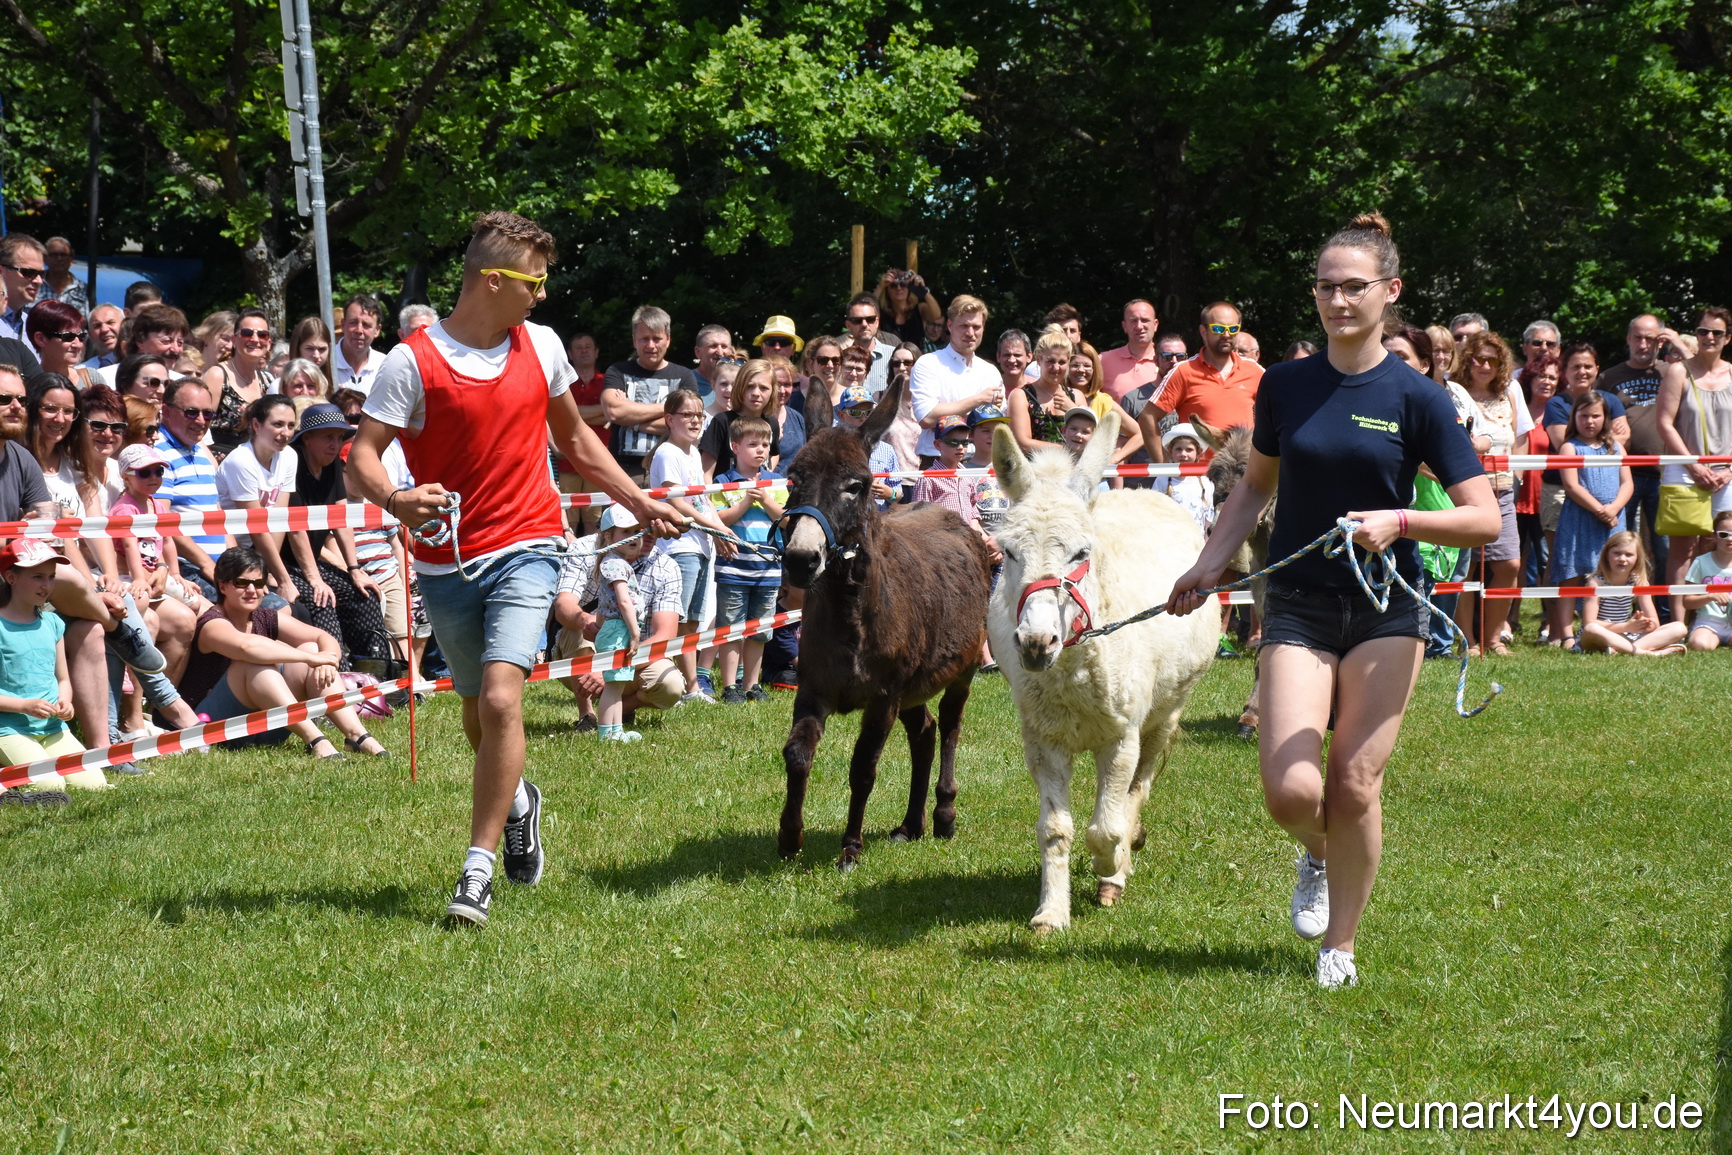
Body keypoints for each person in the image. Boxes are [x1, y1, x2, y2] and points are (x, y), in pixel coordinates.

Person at [1165, 213, 1498, 990]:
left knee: (1353, 781)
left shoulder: (1418, 397)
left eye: (1355, 287)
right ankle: (1319, 848)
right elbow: (1254, 488)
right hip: (1301, 602)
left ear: (1391, 291)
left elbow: (1483, 516)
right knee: (1292, 790)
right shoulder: (1283, 385)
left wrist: (1402, 519)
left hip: (1388, 606)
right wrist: (1206, 565)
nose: (1339, 300)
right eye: (1326, 286)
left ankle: (1339, 946)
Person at [348, 210, 682, 929]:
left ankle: (475, 871)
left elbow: (578, 442)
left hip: (531, 542)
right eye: (534, 281)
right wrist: (398, 496)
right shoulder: (411, 360)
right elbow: (362, 458)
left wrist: (640, 502)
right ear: (492, 279)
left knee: (503, 699)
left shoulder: (544, 346)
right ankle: (520, 799)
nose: (541, 294)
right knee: (478, 713)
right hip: (447, 562)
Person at [182, 546, 388, 758]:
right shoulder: (211, 622)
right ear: (223, 586)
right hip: (215, 726)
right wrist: (311, 658)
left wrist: (327, 660)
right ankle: (315, 739)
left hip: (267, 726)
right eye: (241, 583)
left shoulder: (265, 616)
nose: (252, 590)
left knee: (311, 647)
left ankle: (357, 735)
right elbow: (247, 647)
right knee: (253, 665)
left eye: (258, 583)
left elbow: (323, 637)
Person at [0, 539, 109, 795]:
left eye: (50, 577)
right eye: (37, 576)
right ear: (11, 577)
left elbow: (62, 678)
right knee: (50, 785)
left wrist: (66, 701)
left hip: (52, 727)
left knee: (95, 784)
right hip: (9, 729)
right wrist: (23, 706)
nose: (46, 585)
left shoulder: (52, 623)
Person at [282, 403, 387, 666]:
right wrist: (314, 578)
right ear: (306, 438)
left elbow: (342, 519)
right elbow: (295, 528)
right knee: (322, 601)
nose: (335, 444)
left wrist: (354, 568)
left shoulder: (331, 465)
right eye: (328, 436)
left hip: (313, 561)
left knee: (364, 594)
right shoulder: (291, 463)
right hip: (285, 565)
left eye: (339, 438)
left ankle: (375, 674)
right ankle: (337, 679)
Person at [649, 388, 736, 703]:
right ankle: (678, 685)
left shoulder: (694, 454)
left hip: (699, 545)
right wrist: (714, 526)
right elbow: (677, 500)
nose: (696, 421)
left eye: (700, 415)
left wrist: (721, 529)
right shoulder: (667, 453)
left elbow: (702, 500)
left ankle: (691, 686)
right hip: (678, 546)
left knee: (694, 621)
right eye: (688, 415)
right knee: (680, 619)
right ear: (670, 419)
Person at [1449, 330, 1529, 655]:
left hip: (1504, 489)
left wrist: (1519, 477)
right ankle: (1467, 640)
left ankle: (1494, 637)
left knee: (1509, 564)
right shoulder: (1454, 392)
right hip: (1464, 489)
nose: (1485, 365)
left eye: (1492, 360)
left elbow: (1520, 438)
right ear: (1468, 361)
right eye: (1478, 359)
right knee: (1466, 566)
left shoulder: (1510, 392)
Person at [1653, 307, 1732, 623]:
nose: (1708, 337)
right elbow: (1664, 423)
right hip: (1684, 469)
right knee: (1683, 548)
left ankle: (1714, 618)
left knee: (1721, 543)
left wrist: (1728, 470)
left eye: (1716, 332)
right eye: (1702, 331)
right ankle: (1678, 621)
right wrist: (1693, 465)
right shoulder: (1678, 372)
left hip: (1727, 473)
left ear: (1728, 337)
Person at [710, 416, 785, 703]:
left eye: (765, 444)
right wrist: (744, 502)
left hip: (768, 569)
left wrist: (766, 500)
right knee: (731, 629)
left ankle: (752, 685)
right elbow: (717, 519)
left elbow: (786, 519)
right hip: (733, 568)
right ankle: (730, 686)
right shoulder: (723, 482)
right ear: (735, 447)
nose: (761, 450)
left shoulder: (777, 482)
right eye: (753, 444)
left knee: (760, 630)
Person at [1142, 301, 1264, 462]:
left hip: (1241, 473)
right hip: (1197, 476)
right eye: (1218, 328)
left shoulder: (1254, 371)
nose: (1226, 334)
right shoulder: (1183, 371)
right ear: (1203, 331)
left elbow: (1281, 412)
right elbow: (1147, 418)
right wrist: (1164, 467)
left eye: (1233, 329)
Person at [1599, 315, 1669, 578]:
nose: (1643, 344)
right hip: (1623, 473)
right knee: (1619, 547)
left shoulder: (1672, 372)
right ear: (1628, 339)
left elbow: (1699, 372)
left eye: (1650, 338)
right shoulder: (1609, 377)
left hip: (1664, 472)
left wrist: (1679, 344)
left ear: (1660, 342)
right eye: (1638, 337)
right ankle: (1615, 611)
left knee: (1663, 547)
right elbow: (1595, 421)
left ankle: (1662, 612)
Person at [602, 306, 699, 484]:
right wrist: (671, 408)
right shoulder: (618, 371)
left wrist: (630, 419)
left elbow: (687, 424)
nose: (651, 345)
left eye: (657, 338)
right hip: (624, 472)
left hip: (672, 470)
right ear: (634, 341)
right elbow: (613, 411)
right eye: (644, 339)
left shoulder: (685, 376)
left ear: (668, 340)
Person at [215, 395, 300, 594]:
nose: (285, 433)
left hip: (256, 552)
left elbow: (278, 521)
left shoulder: (289, 456)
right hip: (228, 552)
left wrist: (270, 571)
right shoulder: (241, 461)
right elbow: (257, 525)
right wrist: (284, 581)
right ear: (256, 425)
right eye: (278, 424)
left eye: (290, 425)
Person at [1552, 391, 1633, 600]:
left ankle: (1608, 621)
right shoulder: (1570, 448)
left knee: (1613, 571)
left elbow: (1627, 483)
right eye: (1584, 416)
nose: (1589, 421)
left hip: (1614, 519)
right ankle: (1565, 630)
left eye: (1595, 416)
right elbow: (1571, 486)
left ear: (1605, 417)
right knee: (1571, 573)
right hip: (1579, 519)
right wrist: (1601, 510)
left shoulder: (1616, 448)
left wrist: (1613, 508)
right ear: (1574, 418)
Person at [156, 379, 232, 598]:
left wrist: (237, 562)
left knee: (285, 609)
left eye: (207, 414)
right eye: (191, 412)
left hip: (220, 567)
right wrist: (207, 564)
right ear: (166, 411)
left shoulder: (201, 451)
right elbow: (162, 521)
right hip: (188, 568)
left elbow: (218, 515)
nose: (201, 421)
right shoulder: (158, 453)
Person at [909, 294, 1004, 461]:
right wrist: (978, 401)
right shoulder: (928, 363)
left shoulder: (990, 371)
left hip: (981, 463)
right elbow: (927, 417)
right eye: (964, 326)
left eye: (976, 327)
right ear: (950, 325)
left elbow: (998, 425)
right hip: (937, 460)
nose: (970, 333)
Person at [591, 510, 648, 742]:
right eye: (626, 532)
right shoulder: (614, 564)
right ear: (608, 535)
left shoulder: (616, 563)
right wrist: (635, 633)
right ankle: (607, 735)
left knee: (618, 684)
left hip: (617, 629)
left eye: (636, 531)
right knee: (613, 686)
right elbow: (624, 601)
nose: (634, 536)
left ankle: (617, 732)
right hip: (619, 630)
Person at [1577, 532, 1685, 655]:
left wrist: (1644, 624)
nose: (1622, 559)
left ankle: (1621, 650)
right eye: (1617, 553)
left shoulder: (1639, 582)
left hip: (1624, 634)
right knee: (1592, 628)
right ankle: (1647, 653)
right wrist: (1626, 627)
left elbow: (1654, 623)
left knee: (1679, 627)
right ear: (1607, 555)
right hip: (1597, 635)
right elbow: (1589, 622)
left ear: (1637, 558)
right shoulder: (1596, 582)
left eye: (1628, 555)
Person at [554, 330, 609, 535]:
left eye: (588, 347)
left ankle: (590, 565)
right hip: (567, 460)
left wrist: (573, 413)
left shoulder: (607, 382)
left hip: (597, 460)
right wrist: (601, 412)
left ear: (596, 352)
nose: (584, 351)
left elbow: (612, 414)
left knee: (594, 523)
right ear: (570, 353)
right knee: (567, 523)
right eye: (579, 348)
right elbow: (555, 414)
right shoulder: (562, 382)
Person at [204, 307, 277, 456]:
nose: (255, 339)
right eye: (247, 333)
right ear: (234, 340)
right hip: (223, 463)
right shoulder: (217, 376)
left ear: (269, 343)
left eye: (262, 335)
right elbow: (199, 427)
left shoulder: (268, 380)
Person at [1008, 326, 1089, 452]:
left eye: (1062, 362)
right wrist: (1066, 449)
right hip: (1034, 469)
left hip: (1071, 469)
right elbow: (1022, 443)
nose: (1056, 368)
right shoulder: (1021, 395)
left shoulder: (1076, 396)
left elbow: (1090, 437)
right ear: (1039, 360)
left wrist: (1072, 409)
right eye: (1050, 361)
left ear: (1069, 362)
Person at [700, 358, 780, 479]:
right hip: (724, 496)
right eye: (750, 386)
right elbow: (706, 473)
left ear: (773, 391)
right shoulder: (722, 421)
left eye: (763, 388)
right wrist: (709, 498)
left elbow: (774, 453)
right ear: (739, 387)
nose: (756, 393)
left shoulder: (772, 424)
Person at [838, 382, 906, 508]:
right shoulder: (834, 448)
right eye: (855, 412)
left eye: (868, 412)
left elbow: (899, 493)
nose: (863, 418)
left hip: (878, 514)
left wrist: (888, 493)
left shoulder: (886, 450)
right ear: (841, 415)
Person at [1150, 426, 1216, 533]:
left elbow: (1209, 518)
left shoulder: (1206, 482)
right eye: (1178, 449)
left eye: (1189, 450)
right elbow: (1153, 511)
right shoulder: (1162, 479)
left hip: (1198, 543)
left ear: (1198, 452)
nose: (1183, 454)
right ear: (1170, 451)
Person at [1683, 510, 1732, 650]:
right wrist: (1709, 597)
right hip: (1708, 621)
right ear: (1714, 537)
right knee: (1700, 644)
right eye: (1724, 535)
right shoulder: (1701, 562)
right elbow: (1687, 601)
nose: (1729, 539)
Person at [1099, 299, 1162, 401]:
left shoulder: (1168, 360)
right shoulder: (1103, 360)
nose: (1139, 326)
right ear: (1124, 326)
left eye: (1145, 320)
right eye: (1133, 321)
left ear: (1155, 325)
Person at [841, 294, 901, 394]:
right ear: (848, 325)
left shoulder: (894, 356)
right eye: (857, 320)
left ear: (877, 322)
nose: (864, 324)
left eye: (870, 319)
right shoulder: (840, 359)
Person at [25, 301, 89, 386]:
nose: (78, 345)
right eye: (68, 336)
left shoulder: (91, 380)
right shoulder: (26, 387)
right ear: (41, 339)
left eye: (81, 336)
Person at [331, 295, 386, 393]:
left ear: (377, 330)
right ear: (343, 325)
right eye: (353, 322)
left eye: (366, 325)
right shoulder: (325, 363)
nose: (359, 330)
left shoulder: (385, 366)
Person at [875, 268, 942, 346]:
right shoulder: (880, 313)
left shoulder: (919, 309)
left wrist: (922, 289)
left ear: (909, 288)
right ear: (887, 292)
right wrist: (880, 287)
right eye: (893, 285)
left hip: (916, 356)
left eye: (903, 284)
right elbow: (867, 307)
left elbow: (936, 315)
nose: (898, 288)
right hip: (890, 357)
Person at [0, 234, 48, 341]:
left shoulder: (35, 329)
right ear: (1, 271)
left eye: (42, 274)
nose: (39, 281)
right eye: (29, 272)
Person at [38, 237, 88, 317]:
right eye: (54, 255)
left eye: (63, 255)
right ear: (45, 258)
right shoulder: (35, 285)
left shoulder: (84, 289)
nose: (59, 259)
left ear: (71, 259)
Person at [79, 304, 124, 371]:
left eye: (110, 322)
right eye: (97, 325)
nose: (104, 329)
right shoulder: (80, 372)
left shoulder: (141, 364)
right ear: (90, 335)